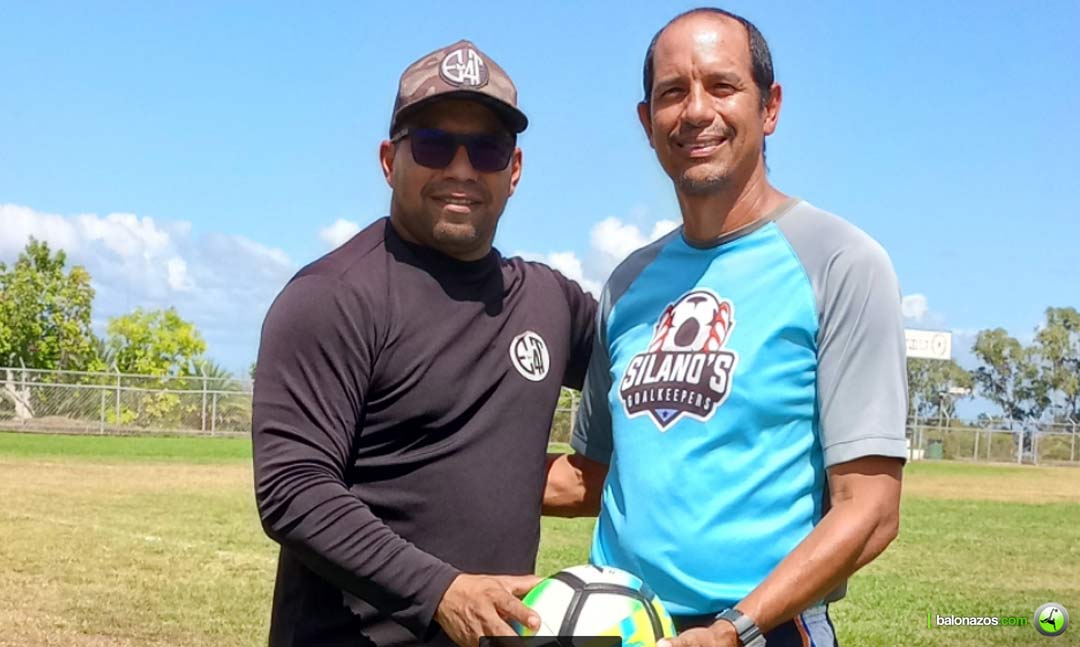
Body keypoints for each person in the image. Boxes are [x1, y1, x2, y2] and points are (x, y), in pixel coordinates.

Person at [544, 8, 907, 647]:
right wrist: (423, 477)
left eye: (722, 85)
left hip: (760, 629)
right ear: (646, 122)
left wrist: (731, 629)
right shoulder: (628, 284)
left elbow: (870, 510)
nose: (695, 111)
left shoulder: (839, 261)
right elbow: (590, 475)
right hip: (622, 624)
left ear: (770, 108)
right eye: (672, 93)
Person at [252, 40, 596, 647]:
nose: (461, 169)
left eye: (487, 149)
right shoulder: (333, 296)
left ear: (513, 171)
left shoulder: (550, 302)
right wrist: (442, 591)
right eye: (434, 144)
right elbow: (293, 488)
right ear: (390, 160)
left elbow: (654, 370)